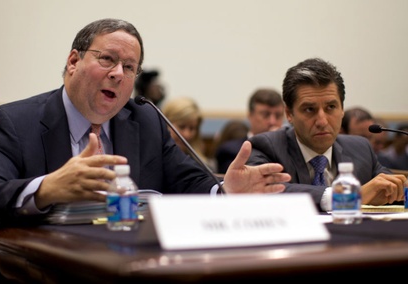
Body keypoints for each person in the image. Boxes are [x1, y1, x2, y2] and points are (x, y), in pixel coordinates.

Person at [0, 18, 291, 283]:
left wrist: (224, 193)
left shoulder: (145, 120)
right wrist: (47, 189)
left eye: (129, 67)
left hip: (129, 266)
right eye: (107, 59)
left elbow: (186, 180)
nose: (118, 74)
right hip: (35, 270)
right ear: (73, 60)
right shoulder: (14, 122)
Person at [247, 57, 406, 212]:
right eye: (309, 109)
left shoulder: (360, 148)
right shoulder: (266, 146)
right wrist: (348, 196)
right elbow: (265, 190)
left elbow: (392, 189)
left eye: (331, 107)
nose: (322, 121)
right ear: (289, 113)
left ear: (342, 109)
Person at [215, 88, 285, 173]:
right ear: (250, 115)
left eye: (278, 115)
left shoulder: (290, 150)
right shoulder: (230, 151)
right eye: (265, 114)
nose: (272, 121)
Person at [161, 96, 216, 172]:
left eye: (192, 128)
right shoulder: (154, 161)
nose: (187, 135)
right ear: (165, 123)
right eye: (181, 126)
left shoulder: (204, 166)